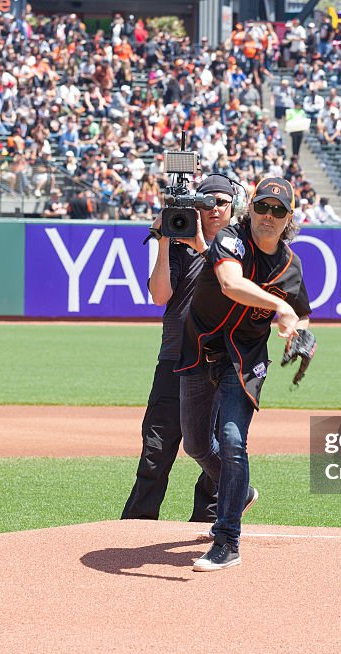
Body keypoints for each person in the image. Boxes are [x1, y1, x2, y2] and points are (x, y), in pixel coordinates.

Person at [177, 177, 312, 571]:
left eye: (278, 210)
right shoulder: (230, 240)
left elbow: (300, 312)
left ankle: (227, 540)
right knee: (197, 446)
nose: (268, 216)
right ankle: (241, 492)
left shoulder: (290, 265)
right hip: (201, 347)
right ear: (250, 208)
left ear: (288, 219)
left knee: (233, 440)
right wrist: (279, 308)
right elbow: (230, 283)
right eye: (262, 206)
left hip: (244, 357)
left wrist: (301, 335)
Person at [121, 174, 242, 523]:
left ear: (233, 207)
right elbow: (160, 296)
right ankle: (135, 527)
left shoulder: (241, 246)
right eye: (207, 202)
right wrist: (162, 240)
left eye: (222, 201)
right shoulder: (176, 248)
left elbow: (236, 286)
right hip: (175, 359)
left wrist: (203, 246)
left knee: (214, 451)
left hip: (222, 363)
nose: (215, 208)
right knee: (155, 451)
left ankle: (208, 525)